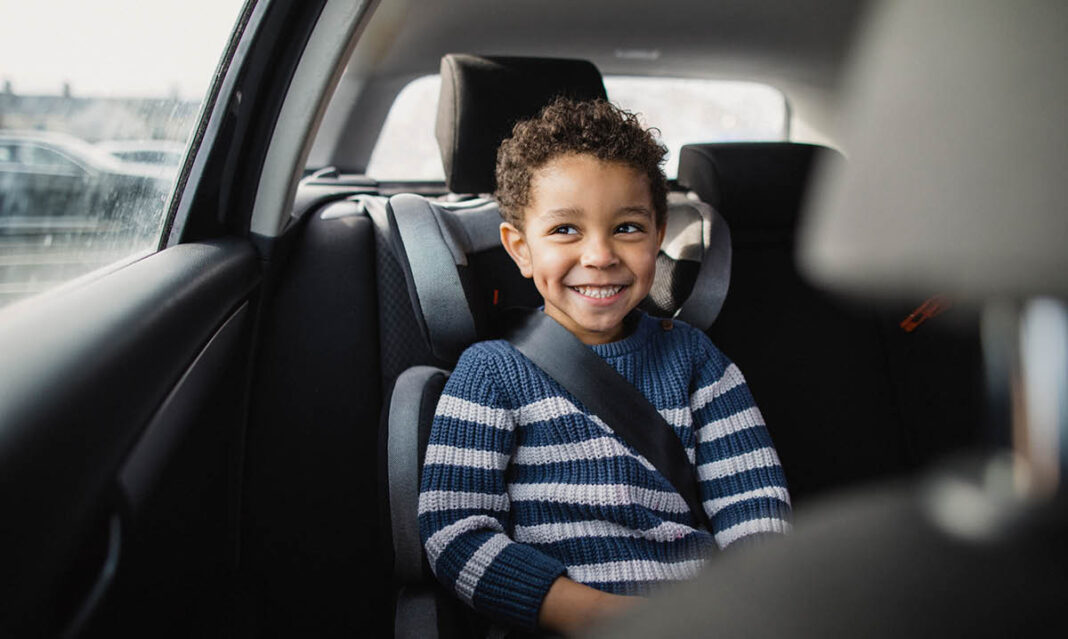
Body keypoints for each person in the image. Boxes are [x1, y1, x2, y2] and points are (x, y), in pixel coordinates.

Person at [417, 98, 791, 636]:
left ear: (658, 236)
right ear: (520, 249)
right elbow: (455, 533)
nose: (599, 255)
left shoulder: (698, 362)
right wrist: (602, 617)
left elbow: (754, 507)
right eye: (565, 230)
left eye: (628, 228)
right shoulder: (490, 373)